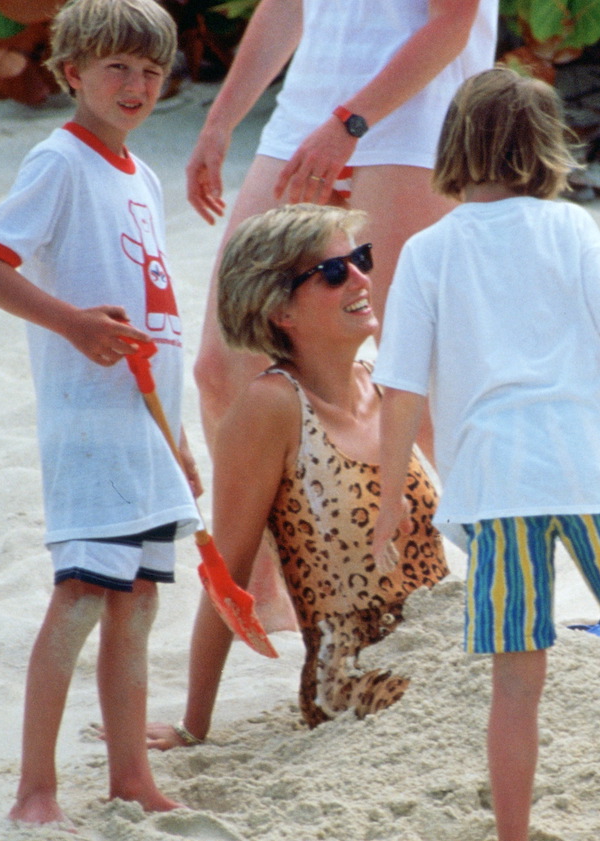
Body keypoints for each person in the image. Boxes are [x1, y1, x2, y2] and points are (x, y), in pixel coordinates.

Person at [371, 67, 600, 841]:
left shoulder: (426, 251)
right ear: (548, 149)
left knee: (517, 673)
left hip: (492, 481)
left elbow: (401, 392)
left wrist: (389, 500)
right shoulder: (569, 227)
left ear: (454, 148)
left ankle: (513, 832)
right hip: (587, 468)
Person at [183, 0, 498, 629]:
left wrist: (349, 124)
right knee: (223, 369)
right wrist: (221, 122)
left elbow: (452, 22)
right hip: (306, 116)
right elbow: (285, 8)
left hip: (414, 121)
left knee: (420, 382)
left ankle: (506, 571)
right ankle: (264, 596)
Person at [0, 0, 199, 825]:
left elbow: (154, 305)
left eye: (151, 71)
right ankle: (37, 785)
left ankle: (129, 775)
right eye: (117, 69)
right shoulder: (58, 161)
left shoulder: (143, 173)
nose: (136, 86)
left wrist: (178, 438)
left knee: (138, 598)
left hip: (146, 424)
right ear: (71, 74)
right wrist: (70, 322)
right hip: (90, 421)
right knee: (82, 593)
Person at [145, 203, 449, 749]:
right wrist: (195, 724)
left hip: (442, 638)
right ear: (280, 310)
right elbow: (228, 580)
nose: (360, 277)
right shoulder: (271, 407)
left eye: (360, 259)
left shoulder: (385, 383)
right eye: (334, 272)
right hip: (354, 674)